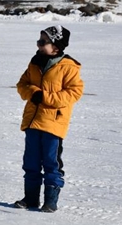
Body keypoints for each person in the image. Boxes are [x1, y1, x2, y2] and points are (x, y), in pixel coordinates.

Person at [14, 25, 83, 212]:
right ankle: (30, 199)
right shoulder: (35, 62)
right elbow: (22, 84)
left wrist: (45, 97)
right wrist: (32, 92)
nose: (39, 44)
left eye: (43, 42)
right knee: (31, 161)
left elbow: (74, 93)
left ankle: (50, 201)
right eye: (39, 40)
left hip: (53, 123)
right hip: (33, 120)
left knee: (51, 162)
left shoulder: (68, 67)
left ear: (56, 47)